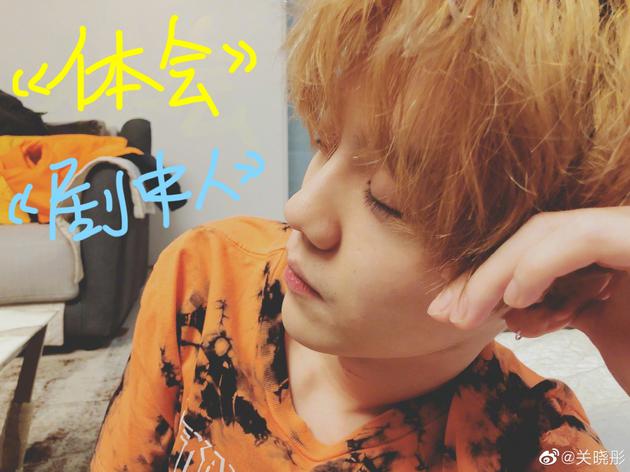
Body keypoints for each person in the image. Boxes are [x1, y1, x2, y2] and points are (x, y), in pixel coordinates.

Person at [90, 0, 630, 470]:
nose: (301, 209)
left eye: (390, 201)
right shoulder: (207, 279)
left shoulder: (541, 446)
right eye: (323, 141)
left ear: (552, 290)